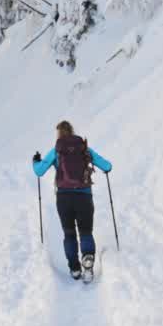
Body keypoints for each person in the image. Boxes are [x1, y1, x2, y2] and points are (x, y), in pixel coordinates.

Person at [32, 120, 113, 280]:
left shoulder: (56, 150)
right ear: (72, 131)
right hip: (84, 197)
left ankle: (75, 269)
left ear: (59, 134)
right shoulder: (83, 148)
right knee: (86, 232)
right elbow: (107, 166)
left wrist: (36, 161)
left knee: (69, 234)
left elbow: (39, 171)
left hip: (64, 199)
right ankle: (88, 266)